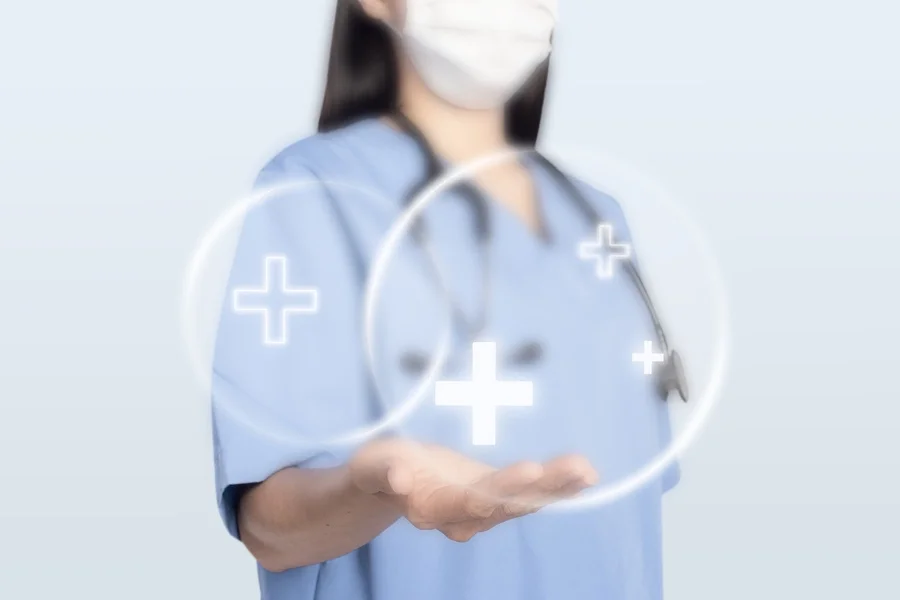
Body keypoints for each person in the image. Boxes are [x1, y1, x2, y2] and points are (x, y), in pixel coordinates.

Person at [211, 1, 680, 598]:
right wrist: (374, 484)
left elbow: (625, 530)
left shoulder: (598, 220)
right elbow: (271, 530)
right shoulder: (317, 194)